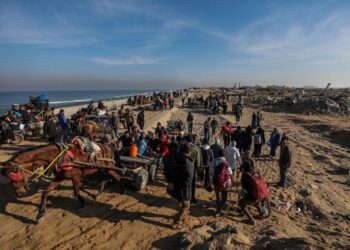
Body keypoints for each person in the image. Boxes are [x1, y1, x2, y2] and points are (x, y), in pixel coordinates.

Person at [168, 144, 194, 229]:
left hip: (177, 186)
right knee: (186, 206)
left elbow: (170, 171)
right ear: (189, 153)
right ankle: (176, 222)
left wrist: (171, 181)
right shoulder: (189, 164)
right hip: (185, 188)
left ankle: (183, 218)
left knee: (181, 204)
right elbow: (189, 178)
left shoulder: (176, 159)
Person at [210, 148, 234, 217]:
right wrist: (232, 181)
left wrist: (211, 180)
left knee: (218, 195)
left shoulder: (214, 161)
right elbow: (230, 173)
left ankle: (218, 206)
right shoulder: (226, 163)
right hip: (225, 183)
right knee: (224, 197)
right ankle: (219, 210)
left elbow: (211, 172)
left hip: (216, 181)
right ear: (224, 155)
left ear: (218, 154)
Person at [188, 134, 202, 204]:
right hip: (192, 168)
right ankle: (192, 198)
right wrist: (198, 170)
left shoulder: (181, 147)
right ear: (193, 140)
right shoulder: (196, 148)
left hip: (182, 168)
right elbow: (198, 162)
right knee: (192, 184)